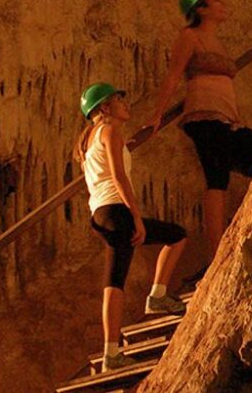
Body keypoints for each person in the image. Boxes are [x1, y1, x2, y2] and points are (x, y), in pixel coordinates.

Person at [146, 0, 252, 277]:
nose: (222, 5)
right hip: (204, 117)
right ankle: (217, 254)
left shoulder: (219, 42)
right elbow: (174, 76)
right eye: (216, 2)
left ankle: (247, 232)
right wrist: (156, 115)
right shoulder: (190, 37)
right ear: (200, 9)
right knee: (217, 179)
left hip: (228, 120)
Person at [77, 82, 187, 373]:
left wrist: (153, 125)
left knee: (113, 280)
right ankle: (158, 296)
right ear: (104, 108)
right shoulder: (110, 131)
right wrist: (135, 216)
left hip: (99, 213)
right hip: (116, 210)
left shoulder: (88, 140)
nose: (126, 103)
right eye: (118, 99)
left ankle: (111, 353)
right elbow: (118, 177)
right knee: (177, 236)